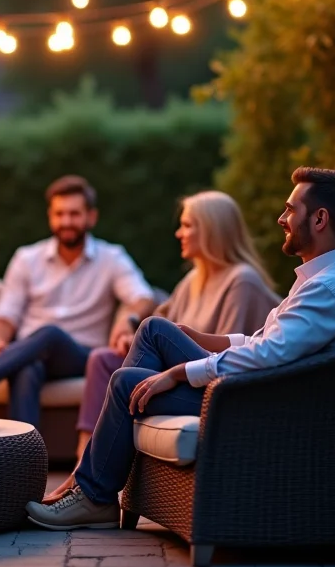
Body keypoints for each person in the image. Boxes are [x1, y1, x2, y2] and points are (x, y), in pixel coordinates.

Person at [26, 168, 335, 530]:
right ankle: (90, 487)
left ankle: (93, 495)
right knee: (156, 330)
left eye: (290, 210)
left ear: (320, 218)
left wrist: (179, 372)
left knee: (127, 383)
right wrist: (196, 338)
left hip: (269, 404)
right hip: (271, 389)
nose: (282, 218)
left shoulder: (328, 288)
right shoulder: (333, 279)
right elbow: (263, 343)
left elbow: (268, 356)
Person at [74, 191, 279, 457]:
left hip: (208, 379)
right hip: (176, 369)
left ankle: (89, 467)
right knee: (102, 359)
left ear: (211, 230)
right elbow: (157, 328)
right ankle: (83, 456)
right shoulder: (193, 279)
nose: (179, 234)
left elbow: (224, 358)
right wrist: (129, 327)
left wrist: (170, 369)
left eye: (187, 225)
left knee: (127, 378)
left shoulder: (241, 281)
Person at [0, 175, 157, 427]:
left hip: (81, 355)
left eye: (74, 214)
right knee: (27, 369)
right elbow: (7, 313)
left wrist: (128, 320)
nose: (66, 221)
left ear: (91, 217)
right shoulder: (27, 258)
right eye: (59, 214)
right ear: (50, 216)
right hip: (31, 352)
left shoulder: (111, 258)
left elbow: (143, 297)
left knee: (51, 333)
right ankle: (24, 459)